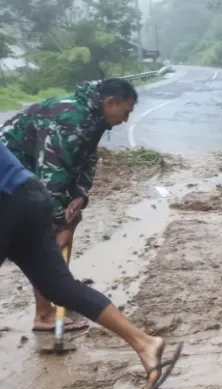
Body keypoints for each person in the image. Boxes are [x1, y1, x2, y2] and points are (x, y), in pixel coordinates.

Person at [0, 143, 182, 389]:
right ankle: (145, 343)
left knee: (58, 285)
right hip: (28, 193)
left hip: (5, 200)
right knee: (59, 286)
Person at [0, 79, 138, 335]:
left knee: (65, 229)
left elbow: (88, 157)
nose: (126, 120)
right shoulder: (71, 118)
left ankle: (56, 302)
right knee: (47, 238)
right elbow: (49, 177)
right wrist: (58, 222)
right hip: (13, 181)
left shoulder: (95, 117)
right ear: (111, 103)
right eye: (126, 112)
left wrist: (79, 196)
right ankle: (45, 313)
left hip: (32, 179)